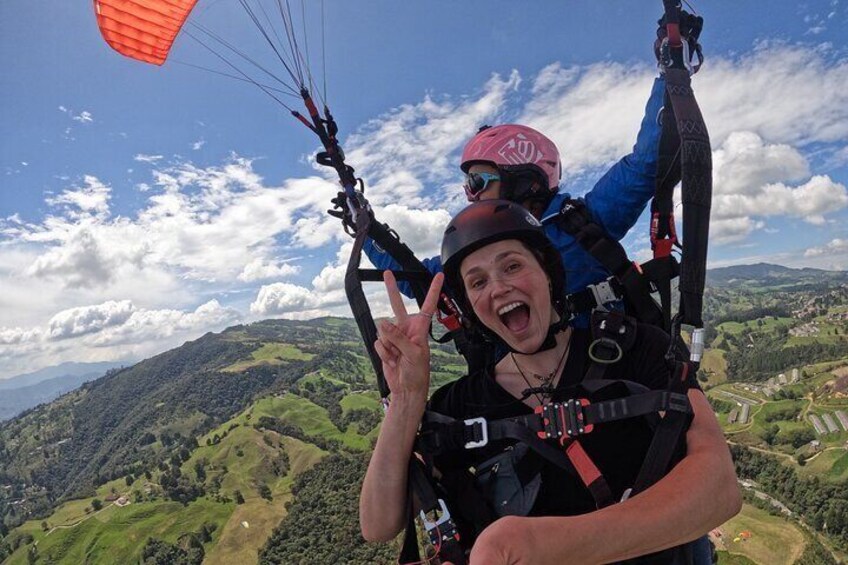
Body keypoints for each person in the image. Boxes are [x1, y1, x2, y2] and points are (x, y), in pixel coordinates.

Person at [359, 200, 741, 564]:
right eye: (477, 283)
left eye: (511, 267)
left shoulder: (636, 348)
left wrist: (551, 546)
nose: (497, 288)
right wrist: (407, 398)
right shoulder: (460, 406)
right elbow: (379, 524)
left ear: (547, 274)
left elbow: (719, 488)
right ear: (472, 308)